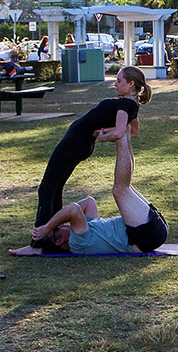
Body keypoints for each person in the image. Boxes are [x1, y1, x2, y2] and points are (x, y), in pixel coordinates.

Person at [28, 66, 151, 252]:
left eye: (119, 81)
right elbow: (132, 131)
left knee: (47, 188)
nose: (115, 84)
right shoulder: (130, 105)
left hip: (75, 142)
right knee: (55, 187)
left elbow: (121, 131)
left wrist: (103, 135)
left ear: (131, 83)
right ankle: (52, 234)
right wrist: (103, 131)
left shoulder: (126, 105)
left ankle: (38, 244)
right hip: (80, 143)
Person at [11, 133, 168, 257]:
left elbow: (89, 202)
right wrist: (47, 227)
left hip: (148, 229)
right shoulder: (78, 243)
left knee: (125, 186)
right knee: (120, 190)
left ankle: (125, 135)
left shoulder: (86, 230)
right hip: (143, 235)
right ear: (59, 240)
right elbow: (73, 209)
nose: (63, 225)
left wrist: (51, 226)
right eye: (59, 229)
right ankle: (121, 138)